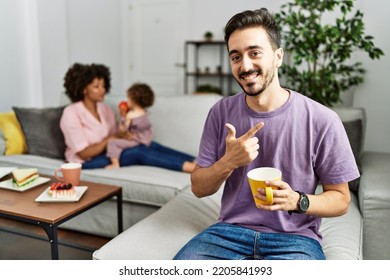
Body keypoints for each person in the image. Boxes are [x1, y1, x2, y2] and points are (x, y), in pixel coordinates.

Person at [173, 8, 360, 260]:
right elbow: (198, 188)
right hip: (228, 233)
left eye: (255, 53)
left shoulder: (322, 119)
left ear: (278, 56)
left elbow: (341, 200)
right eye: (236, 57)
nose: (245, 65)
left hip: (295, 241)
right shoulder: (220, 112)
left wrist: (297, 200)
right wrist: (229, 162)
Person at [60, 63, 196, 172]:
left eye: (103, 85)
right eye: (96, 86)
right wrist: (111, 139)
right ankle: (191, 168)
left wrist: (125, 134)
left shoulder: (105, 109)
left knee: (149, 144)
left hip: (110, 151)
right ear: (84, 89)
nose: (102, 89)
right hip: (86, 162)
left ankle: (197, 161)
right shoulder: (71, 113)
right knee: (138, 153)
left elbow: (116, 135)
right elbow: (83, 153)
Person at [105, 83, 154, 169]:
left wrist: (123, 116)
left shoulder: (130, 115)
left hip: (134, 140)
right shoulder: (144, 113)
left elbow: (123, 130)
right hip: (145, 139)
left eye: (128, 98)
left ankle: (115, 164)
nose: (127, 101)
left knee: (112, 143)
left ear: (134, 100)